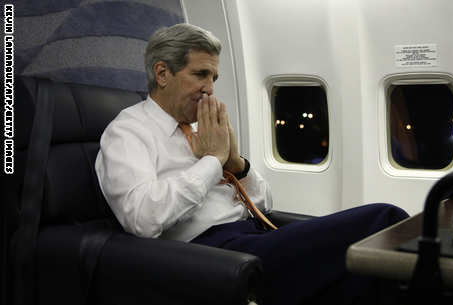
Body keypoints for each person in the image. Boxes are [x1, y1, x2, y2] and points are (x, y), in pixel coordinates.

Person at [95, 23, 408, 305]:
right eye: (200, 74)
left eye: (213, 78)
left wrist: (237, 165)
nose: (210, 88)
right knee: (383, 219)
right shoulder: (128, 132)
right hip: (210, 254)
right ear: (162, 73)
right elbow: (143, 219)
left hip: (253, 236)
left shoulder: (203, 129)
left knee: (362, 275)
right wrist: (212, 163)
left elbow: (264, 203)